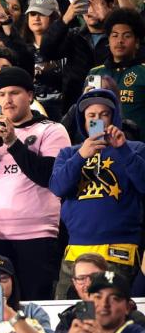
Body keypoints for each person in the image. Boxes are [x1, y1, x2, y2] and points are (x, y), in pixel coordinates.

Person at [0, 67, 70, 300]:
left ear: (30, 95)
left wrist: (13, 142)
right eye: (2, 94)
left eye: (14, 93)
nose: (7, 99)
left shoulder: (51, 130)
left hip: (36, 236)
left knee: (34, 304)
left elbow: (48, 175)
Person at [50, 88, 145, 297]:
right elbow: (57, 187)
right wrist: (81, 156)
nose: (98, 120)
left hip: (119, 253)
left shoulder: (135, 148)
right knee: (69, 314)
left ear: (115, 118)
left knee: (116, 314)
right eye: (91, 116)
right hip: (76, 253)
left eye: (104, 114)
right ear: (83, 120)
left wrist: (123, 150)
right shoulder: (69, 153)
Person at [88, 9, 145, 135]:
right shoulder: (95, 74)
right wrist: (96, 142)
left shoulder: (143, 73)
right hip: (103, 147)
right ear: (108, 40)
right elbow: (92, 112)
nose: (120, 40)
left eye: (127, 36)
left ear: (137, 42)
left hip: (137, 149)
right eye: (115, 35)